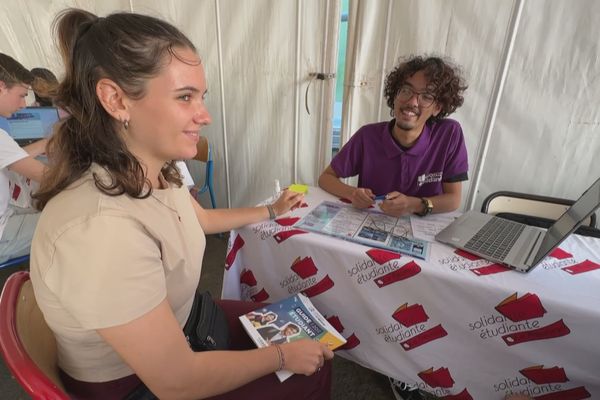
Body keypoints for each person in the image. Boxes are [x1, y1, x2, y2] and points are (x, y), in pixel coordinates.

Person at [29, 8, 333, 400]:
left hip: (189, 324)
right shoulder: (99, 230)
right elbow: (177, 382)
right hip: (139, 383)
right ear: (116, 99)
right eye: (185, 97)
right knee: (311, 372)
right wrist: (280, 356)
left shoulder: (154, 170)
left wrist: (271, 211)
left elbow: (201, 219)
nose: (204, 115)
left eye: (201, 96)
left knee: (311, 338)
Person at [318, 55, 469, 218]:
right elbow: (326, 178)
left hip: (424, 229)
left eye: (426, 96)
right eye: (406, 90)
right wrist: (352, 193)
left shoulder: (449, 134)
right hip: (373, 224)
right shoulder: (367, 136)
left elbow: (454, 199)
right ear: (395, 95)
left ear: (437, 108)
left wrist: (414, 204)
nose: (412, 102)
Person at [0, 53, 48, 263]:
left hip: (6, 214)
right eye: (21, 95)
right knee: (72, 225)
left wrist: (46, 144)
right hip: (3, 234)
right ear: (1, 87)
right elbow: (46, 176)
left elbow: (11, 157)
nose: (23, 105)